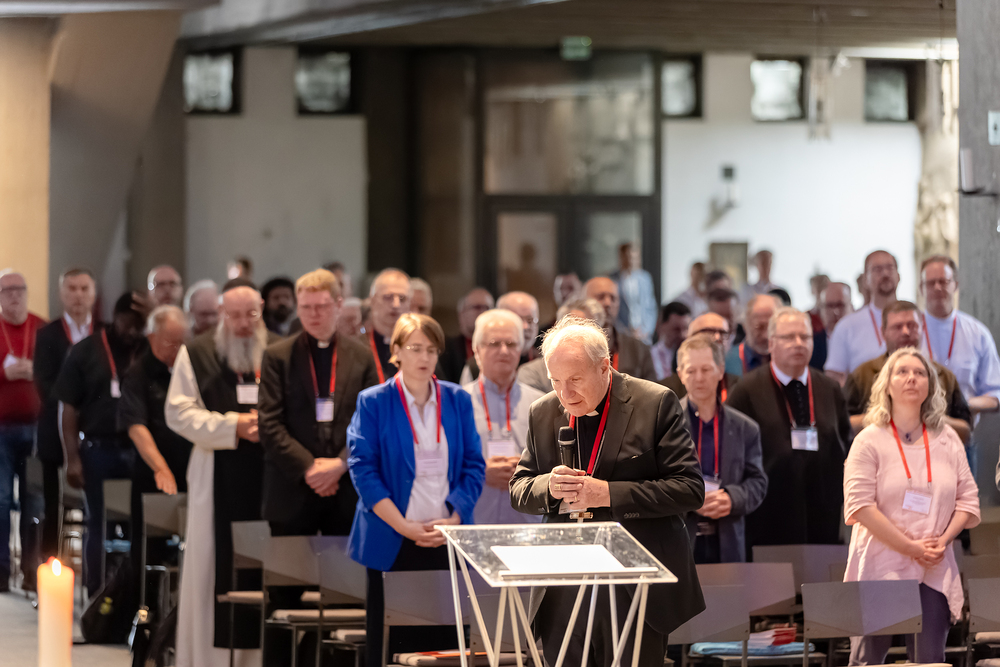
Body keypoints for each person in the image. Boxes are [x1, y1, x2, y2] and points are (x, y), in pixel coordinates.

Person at [509, 316, 705, 667]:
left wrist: (609, 494)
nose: (565, 394)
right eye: (555, 381)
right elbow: (520, 488)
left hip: (634, 581)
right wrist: (548, 486)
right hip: (563, 583)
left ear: (604, 366)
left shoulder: (655, 402)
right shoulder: (543, 411)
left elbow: (689, 489)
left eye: (575, 380)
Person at [347, 313, 485, 667]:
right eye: (415, 348)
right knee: (393, 643)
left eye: (431, 350)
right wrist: (403, 526)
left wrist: (454, 518)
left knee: (446, 646)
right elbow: (363, 470)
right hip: (392, 538)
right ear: (396, 351)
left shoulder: (457, 399)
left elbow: (474, 465)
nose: (424, 357)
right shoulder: (374, 401)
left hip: (446, 537)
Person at [166, 280, 279, 666]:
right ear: (220, 313)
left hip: (270, 476)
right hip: (216, 474)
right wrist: (232, 426)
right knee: (213, 567)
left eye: (251, 314)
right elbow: (178, 413)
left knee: (267, 567)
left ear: (261, 309)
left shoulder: (279, 350)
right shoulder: (197, 353)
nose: (244, 323)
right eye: (234, 315)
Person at [843, 347, 980, 665]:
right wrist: (909, 547)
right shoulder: (869, 439)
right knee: (867, 661)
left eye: (920, 373)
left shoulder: (947, 438)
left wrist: (942, 541)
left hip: (933, 564)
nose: (911, 378)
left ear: (930, 385)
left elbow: (969, 501)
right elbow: (859, 506)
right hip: (880, 565)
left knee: (930, 660)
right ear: (887, 384)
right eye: (902, 372)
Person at [259, 269, 379, 538]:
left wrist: (340, 464)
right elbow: (269, 423)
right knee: (289, 566)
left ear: (338, 305)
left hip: (346, 488)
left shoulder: (361, 357)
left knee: (344, 567)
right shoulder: (277, 357)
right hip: (292, 488)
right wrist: (309, 467)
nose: (313, 314)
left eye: (321, 306)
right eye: (306, 307)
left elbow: (371, 422)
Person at [726, 307, 850, 551]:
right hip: (767, 520)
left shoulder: (830, 389)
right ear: (771, 343)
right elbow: (733, 456)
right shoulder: (746, 391)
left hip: (823, 518)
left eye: (805, 337)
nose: (798, 343)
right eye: (789, 337)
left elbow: (845, 444)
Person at [55, 292, 147, 597]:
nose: (133, 331)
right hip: (99, 449)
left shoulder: (147, 349)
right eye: (129, 323)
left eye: (140, 325)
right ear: (115, 318)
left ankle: (131, 592)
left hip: (139, 449)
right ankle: (96, 592)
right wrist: (72, 458)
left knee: (138, 523)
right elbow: (68, 408)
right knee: (99, 522)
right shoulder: (86, 351)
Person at [118, 305, 193, 616]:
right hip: (152, 475)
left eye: (182, 341)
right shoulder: (138, 373)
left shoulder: (190, 368)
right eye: (170, 341)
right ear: (151, 337)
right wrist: (161, 468)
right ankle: (145, 616)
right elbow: (136, 427)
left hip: (189, 472)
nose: (177, 348)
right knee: (149, 549)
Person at [676, 335, 767, 563]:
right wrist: (690, 498)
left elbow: (758, 482)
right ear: (680, 374)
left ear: (720, 371)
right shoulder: (665, 425)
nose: (699, 378)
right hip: (681, 539)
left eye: (706, 369)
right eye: (691, 371)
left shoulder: (746, 428)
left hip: (729, 540)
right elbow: (653, 482)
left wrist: (732, 498)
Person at [33, 267, 96, 566]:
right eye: (72, 289)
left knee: (99, 503)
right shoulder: (48, 334)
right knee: (52, 504)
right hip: (54, 432)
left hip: (96, 429)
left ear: (93, 294)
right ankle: (50, 564)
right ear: (62, 293)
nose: (78, 295)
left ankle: (100, 564)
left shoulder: (103, 332)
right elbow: (45, 383)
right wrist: (73, 405)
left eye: (84, 289)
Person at [845, 301, 971, 443]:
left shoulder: (944, 376)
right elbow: (843, 425)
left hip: (933, 452)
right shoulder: (862, 375)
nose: (905, 332)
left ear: (923, 328)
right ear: (883, 332)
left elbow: (966, 430)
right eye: (897, 327)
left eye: (912, 326)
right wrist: (884, 417)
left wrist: (931, 418)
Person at [463, 309, 544, 524]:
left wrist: (527, 472)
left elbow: (556, 467)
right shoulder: (457, 403)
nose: (504, 351)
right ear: (476, 349)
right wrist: (480, 473)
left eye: (511, 344)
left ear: (521, 349)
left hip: (528, 526)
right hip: (473, 524)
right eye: (494, 343)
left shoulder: (542, 404)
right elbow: (442, 467)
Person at [0, 270, 45, 592]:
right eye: (7, 290)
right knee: (1, 501)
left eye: (19, 289)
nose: (14, 295)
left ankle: (32, 571)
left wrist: (35, 371)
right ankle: (2, 570)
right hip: (1, 429)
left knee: (34, 502)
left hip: (36, 429)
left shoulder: (41, 327)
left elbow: (57, 371)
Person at [919, 255, 1000, 416]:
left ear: (955, 285)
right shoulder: (909, 331)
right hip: (918, 427)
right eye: (930, 283)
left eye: (943, 281)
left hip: (964, 427)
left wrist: (963, 405)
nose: (937, 287)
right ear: (921, 289)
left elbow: (996, 393)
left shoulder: (978, 333)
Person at [825, 250, 899, 384]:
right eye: (877, 269)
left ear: (898, 275)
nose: (885, 274)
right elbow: (834, 378)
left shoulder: (917, 320)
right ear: (865, 280)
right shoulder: (847, 326)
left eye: (890, 268)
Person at [518, 298, 605, 395]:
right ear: (558, 328)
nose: (580, 335)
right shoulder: (532, 373)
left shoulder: (603, 370)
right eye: (574, 328)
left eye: (588, 330)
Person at [584, 277, 656, 381]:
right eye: (600, 297)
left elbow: (652, 389)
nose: (608, 303)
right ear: (583, 302)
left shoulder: (638, 349)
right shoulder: (571, 347)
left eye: (613, 298)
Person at [660, 313, 740, 402]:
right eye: (709, 331)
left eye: (723, 333)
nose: (717, 337)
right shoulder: (666, 391)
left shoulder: (738, 386)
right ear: (689, 338)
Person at [366, 268, 412, 384]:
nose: (396, 305)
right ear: (373, 301)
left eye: (402, 298)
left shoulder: (418, 348)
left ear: (410, 304)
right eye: (388, 297)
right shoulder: (356, 348)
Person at [440, 287, 494, 383]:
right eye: (477, 307)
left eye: (487, 308)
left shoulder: (500, 346)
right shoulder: (446, 348)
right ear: (462, 313)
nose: (482, 312)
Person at [611, 242, 658, 344]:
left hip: (643, 334)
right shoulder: (614, 279)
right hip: (623, 334)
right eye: (628, 257)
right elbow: (614, 309)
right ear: (621, 257)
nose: (631, 261)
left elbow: (650, 307)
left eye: (634, 257)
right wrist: (624, 331)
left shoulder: (645, 278)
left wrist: (646, 330)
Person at [725, 295, 781, 377]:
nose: (766, 336)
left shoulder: (790, 358)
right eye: (758, 327)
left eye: (772, 328)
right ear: (745, 325)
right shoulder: (728, 362)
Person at [810, 282, 853, 371]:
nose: (835, 312)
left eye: (840, 305)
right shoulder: (813, 345)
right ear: (821, 309)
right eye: (829, 306)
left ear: (851, 306)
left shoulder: (863, 338)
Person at [651, 302, 692, 380]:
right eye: (676, 329)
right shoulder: (651, 358)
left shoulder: (696, 356)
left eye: (686, 329)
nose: (682, 335)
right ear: (662, 326)